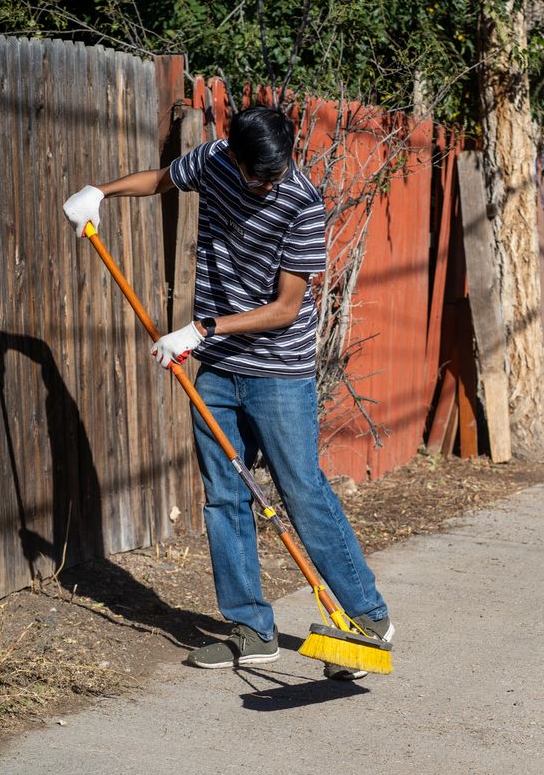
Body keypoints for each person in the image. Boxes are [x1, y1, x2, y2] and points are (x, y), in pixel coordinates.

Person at [62, 106, 391, 677]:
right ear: (234, 156)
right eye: (257, 175)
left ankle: (366, 619)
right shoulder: (214, 161)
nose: (267, 184)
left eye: (275, 173)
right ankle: (250, 628)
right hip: (215, 366)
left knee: (301, 489)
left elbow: (286, 309)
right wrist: (102, 192)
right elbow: (162, 179)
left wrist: (201, 329)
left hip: (278, 368)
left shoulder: (301, 203)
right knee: (224, 495)